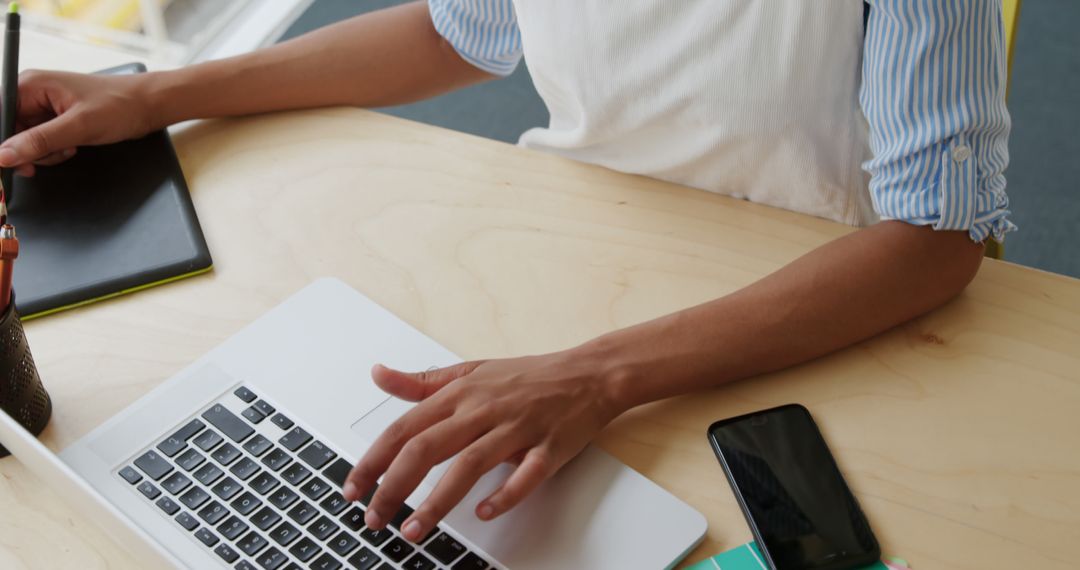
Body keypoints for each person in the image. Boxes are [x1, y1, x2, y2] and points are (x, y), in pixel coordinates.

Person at [0, 0, 1013, 546]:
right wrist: (160, 97)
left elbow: (938, 232)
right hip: (579, 250)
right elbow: (463, 26)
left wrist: (598, 375)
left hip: (802, 296)